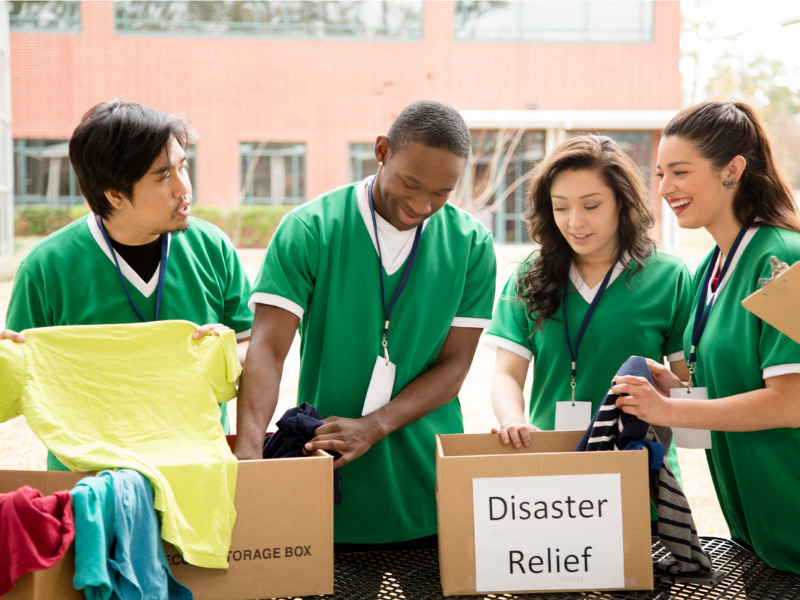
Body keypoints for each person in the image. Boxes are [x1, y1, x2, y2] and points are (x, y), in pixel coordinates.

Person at [235, 100, 496, 547]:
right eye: (411, 183)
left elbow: (455, 366)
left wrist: (374, 425)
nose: (422, 204)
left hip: (429, 486)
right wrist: (248, 452)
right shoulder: (311, 228)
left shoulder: (471, 244)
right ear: (381, 151)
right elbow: (267, 349)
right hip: (330, 479)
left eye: (441, 193)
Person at [2, 99, 253, 469]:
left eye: (183, 167)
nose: (184, 188)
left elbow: (255, 349)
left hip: (197, 469)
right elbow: (21, 382)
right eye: (163, 176)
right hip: (89, 477)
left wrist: (226, 351)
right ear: (115, 194)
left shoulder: (212, 248)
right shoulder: (45, 268)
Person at [612, 100, 800, 575]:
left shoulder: (785, 260)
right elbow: (737, 388)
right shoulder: (707, 271)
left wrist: (669, 411)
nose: (664, 189)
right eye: (660, 175)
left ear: (731, 170)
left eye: (680, 172)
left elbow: (791, 402)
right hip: (756, 528)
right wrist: (673, 388)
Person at [485, 135, 691, 486]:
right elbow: (506, 374)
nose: (575, 222)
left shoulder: (670, 277)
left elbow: (686, 384)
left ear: (622, 201)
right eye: (561, 207)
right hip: (553, 467)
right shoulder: (528, 275)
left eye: (591, 205)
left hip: (640, 467)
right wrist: (512, 420)